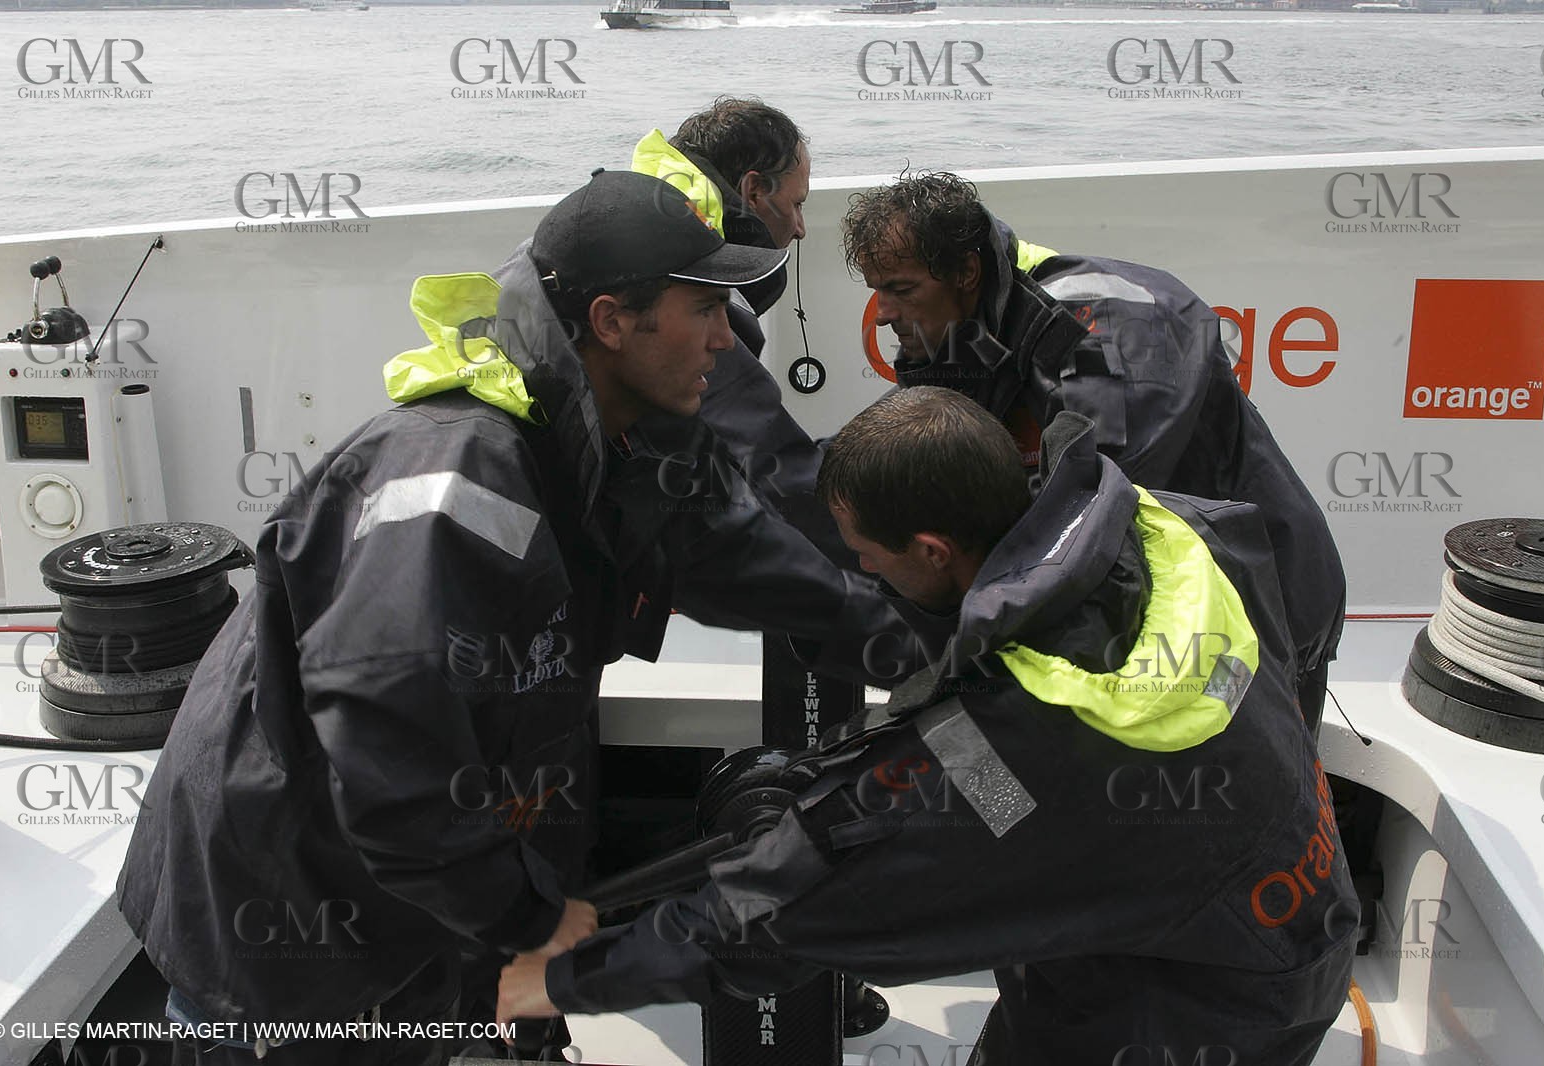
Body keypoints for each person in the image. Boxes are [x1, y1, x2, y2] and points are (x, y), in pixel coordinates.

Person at [116, 170, 917, 1065]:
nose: (729, 341)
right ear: (613, 322)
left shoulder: (627, 438)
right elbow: (390, 750)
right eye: (706, 310)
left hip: (426, 887)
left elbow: (741, 557)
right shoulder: (458, 477)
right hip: (288, 903)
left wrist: (918, 645)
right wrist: (528, 921)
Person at [495, 388, 1360, 1066]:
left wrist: (564, 976)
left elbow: (781, 916)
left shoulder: (1031, 737)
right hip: (1290, 905)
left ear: (936, 550)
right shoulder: (1170, 527)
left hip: (1183, 1010)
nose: (864, 570)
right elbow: (1010, 789)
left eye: (869, 557)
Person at [842, 171, 1346, 736]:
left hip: (1257, 603)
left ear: (966, 272)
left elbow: (1092, 522)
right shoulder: (962, 332)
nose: (882, 313)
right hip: (1160, 615)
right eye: (875, 290)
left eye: (902, 290)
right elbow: (903, 475)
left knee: (1261, 798)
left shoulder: (1112, 328)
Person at [627, 98, 835, 547]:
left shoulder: (645, 219)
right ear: (754, 191)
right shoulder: (684, 269)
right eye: (796, 204)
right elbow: (769, 469)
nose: (800, 229)